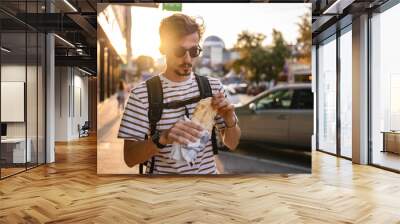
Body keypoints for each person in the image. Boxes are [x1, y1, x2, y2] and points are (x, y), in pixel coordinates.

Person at [118, 13, 241, 174]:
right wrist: (162, 137)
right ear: (163, 48)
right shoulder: (141, 95)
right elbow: (130, 158)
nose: (188, 59)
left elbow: (232, 143)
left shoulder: (213, 87)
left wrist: (230, 120)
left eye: (194, 50)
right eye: (179, 50)